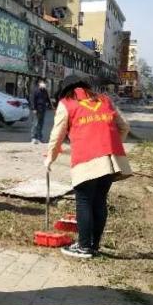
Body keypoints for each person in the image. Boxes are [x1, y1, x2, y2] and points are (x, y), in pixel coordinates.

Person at [45, 75, 132, 258]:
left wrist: (49, 159)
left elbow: (57, 135)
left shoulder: (67, 103)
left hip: (87, 160)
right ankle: (94, 245)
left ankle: (84, 247)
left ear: (65, 90)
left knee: (84, 201)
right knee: (99, 201)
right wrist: (111, 146)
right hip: (110, 161)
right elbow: (124, 127)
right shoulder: (104, 100)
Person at [31, 79, 52, 144]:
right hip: (37, 109)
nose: (44, 84)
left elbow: (48, 99)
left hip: (43, 109)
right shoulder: (36, 90)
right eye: (43, 83)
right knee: (36, 123)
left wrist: (50, 104)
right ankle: (34, 137)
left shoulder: (45, 91)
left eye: (45, 83)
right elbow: (33, 100)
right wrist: (34, 108)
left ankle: (40, 138)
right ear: (39, 83)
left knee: (41, 124)